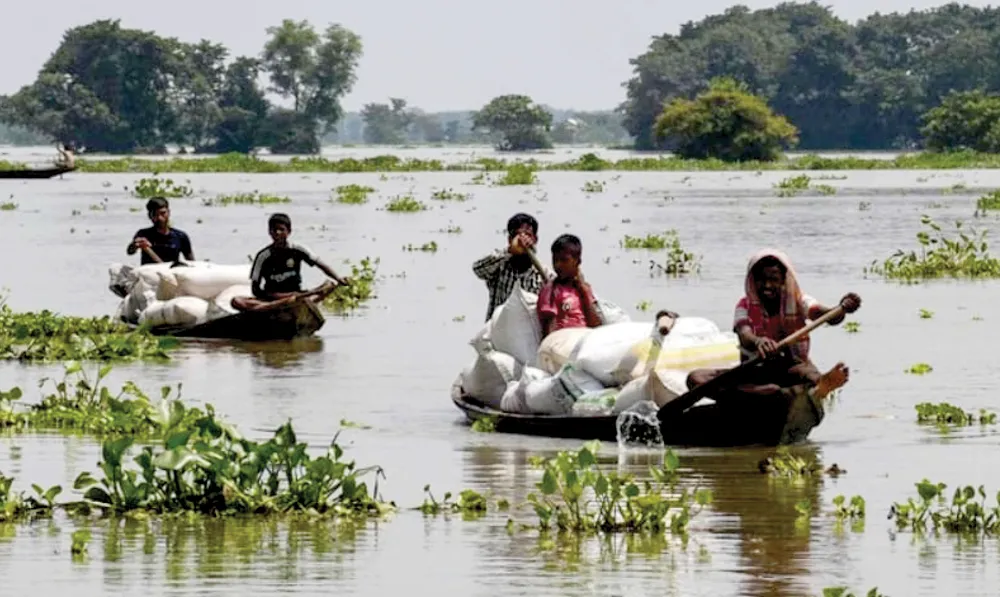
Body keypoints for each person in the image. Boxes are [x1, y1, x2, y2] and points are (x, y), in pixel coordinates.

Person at [686, 248, 861, 399]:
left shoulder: (799, 301)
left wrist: (841, 308)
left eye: (773, 280)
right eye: (762, 280)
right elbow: (744, 333)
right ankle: (759, 393)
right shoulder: (744, 305)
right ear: (754, 280)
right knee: (696, 378)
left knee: (809, 373)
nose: (767, 285)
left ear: (783, 280)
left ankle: (820, 385)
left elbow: (826, 316)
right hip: (754, 370)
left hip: (791, 368)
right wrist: (758, 341)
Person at [231, 213, 352, 311]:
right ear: (269, 232)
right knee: (236, 301)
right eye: (274, 230)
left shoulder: (297, 249)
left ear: (289, 231)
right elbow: (255, 289)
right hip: (272, 299)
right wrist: (275, 297)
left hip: (296, 295)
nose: (278, 233)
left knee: (328, 287)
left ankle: (303, 298)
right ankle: (301, 298)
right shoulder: (263, 256)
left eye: (281, 230)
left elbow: (320, 264)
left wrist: (338, 279)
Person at [472, 213, 545, 321]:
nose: (522, 241)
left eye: (528, 235)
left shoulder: (541, 276)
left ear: (535, 239)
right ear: (510, 239)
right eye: (517, 235)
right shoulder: (500, 268)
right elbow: (478, 269)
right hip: (496, 334)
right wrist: (510, 250)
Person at [536, 234, 603, 337]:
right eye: (555, 260)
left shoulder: (584, 289)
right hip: (563, 340)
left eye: (564, 260)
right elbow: (549, 329)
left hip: (584, 339)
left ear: (577, 262)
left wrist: (584, 291)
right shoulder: (551, 290)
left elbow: (595, 325)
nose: (557, 265)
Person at [127, 197, 194, 265]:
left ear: (168, 212)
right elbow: (130, 252)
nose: (159, 218)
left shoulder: (181, 236)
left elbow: (191, 262)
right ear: (149, 216)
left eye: (163, 213)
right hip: (149, 273)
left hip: (171, 273)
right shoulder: (143, 234)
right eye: (155, 215)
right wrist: (135, 245)